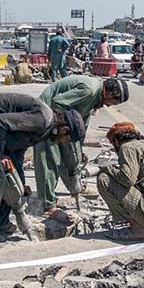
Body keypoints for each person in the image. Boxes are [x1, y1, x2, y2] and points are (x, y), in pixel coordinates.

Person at [0, 93, 86, 253]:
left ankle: (1, 223)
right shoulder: (42, 119)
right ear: (64, 129)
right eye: (67, 139)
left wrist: (19, 184)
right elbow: (0, 122)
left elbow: (17, 153)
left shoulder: (44, 131)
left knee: (7, 179)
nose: (64, 143)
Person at [34, 76, 129, 216]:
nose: (109, 106)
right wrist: (60, 132)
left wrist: (77, 147)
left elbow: (81, 121)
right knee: (50, 159)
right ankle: (47, 205)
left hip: (62, 121)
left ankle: (75, 187)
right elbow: (57, 103)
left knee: (72, 157)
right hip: (47, 117)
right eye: (113, 102)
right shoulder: (89, 90)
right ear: (110, 93)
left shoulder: (95, 97)